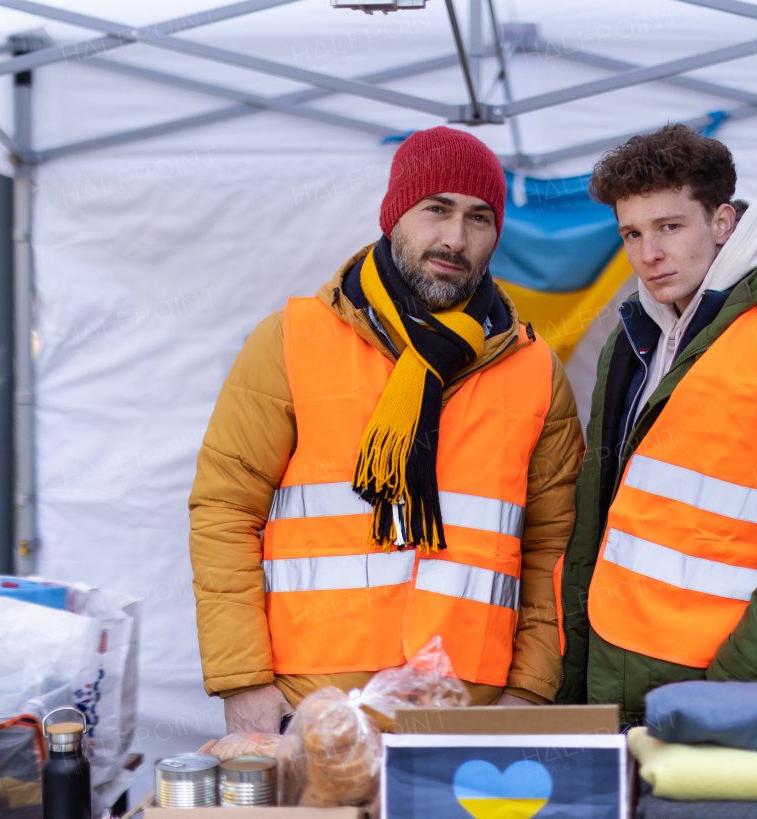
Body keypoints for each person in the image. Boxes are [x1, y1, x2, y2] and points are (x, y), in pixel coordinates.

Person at [190, 127, 584, 734]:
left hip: (467, 717)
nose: (455, 238)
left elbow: (552, 549)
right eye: (437, 210)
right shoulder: (292, 341)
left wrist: (530, 694)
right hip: (312, 709)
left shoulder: (534, 370)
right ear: (395, 212)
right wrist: (244, 683)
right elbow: (223, 513)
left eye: (480, 219)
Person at [555, 125, 757, 724]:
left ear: (723, 224)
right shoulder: (635, 337)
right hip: (614, 672)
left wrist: (730, 694)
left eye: (670, 227)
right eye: (631, 233)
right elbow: (603, 518)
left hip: (717, 691)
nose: (648, 254)